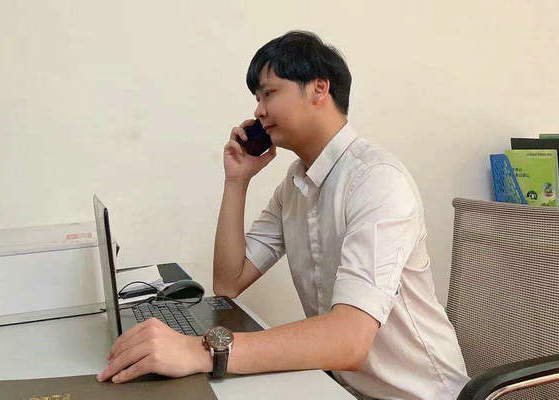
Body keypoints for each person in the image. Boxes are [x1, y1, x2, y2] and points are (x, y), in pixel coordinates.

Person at [98, 31, 470, 400]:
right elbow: (228, 282)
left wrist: (203, 351)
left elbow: (350, 339)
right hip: (342, 388)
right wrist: (236, 181)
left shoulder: (376, 181)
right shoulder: (295, 185)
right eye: (256, 98)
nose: (258, 110)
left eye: (269, 93)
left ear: (319, 89)